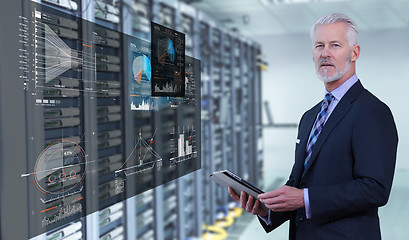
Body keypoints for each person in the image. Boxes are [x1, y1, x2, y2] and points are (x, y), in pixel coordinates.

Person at [228, 13, 398, 240]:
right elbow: (298, 185)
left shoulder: (372, 111)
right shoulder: (310, 117)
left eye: (335, 45)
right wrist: (267, 209)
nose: (325, 53)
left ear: (354, 53)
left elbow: (374, 189)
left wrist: (305, 198)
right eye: (319, 45)